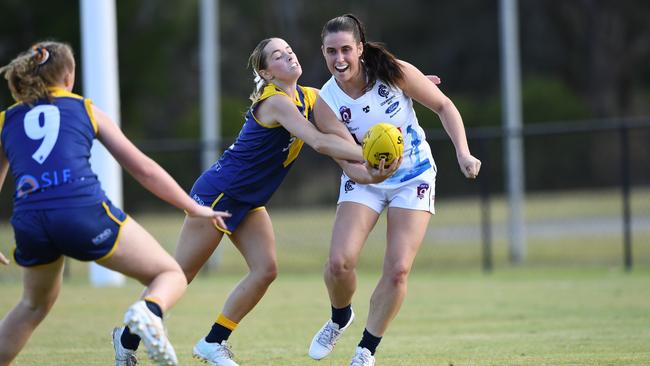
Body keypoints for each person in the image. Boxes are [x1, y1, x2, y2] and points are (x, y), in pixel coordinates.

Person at [112, 37, 387, 366]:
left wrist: (398, 92)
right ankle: (125, 340)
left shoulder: (310, 96)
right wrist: (366, 153)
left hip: (250, 201)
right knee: (179, 275)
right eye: (278, 56)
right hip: (218, 196)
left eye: (289, 52)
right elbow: (318, 141)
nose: (288, 57)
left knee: (265, 270)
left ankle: (214, 341)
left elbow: (349, 106)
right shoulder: (275, 103)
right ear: (267, 73)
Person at [0, 41, 230, 366]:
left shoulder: (6, 119)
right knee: (169, 274)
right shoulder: (84, 108)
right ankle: (147, 311)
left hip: (28, 220)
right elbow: (143, 168)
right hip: (80, 209)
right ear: (68, 78)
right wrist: (193, 207)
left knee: (32, 306)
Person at [307, 14, 482, 366]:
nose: (339, 59)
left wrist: (463, 153)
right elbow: (347, 160)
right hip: (365, 180)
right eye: (331, 51)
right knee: (339, 264)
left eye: (345, 49)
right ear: (323, 53)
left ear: (359, 48)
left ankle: (366, 350)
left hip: (413, 176)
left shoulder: (392, 71)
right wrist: (370, 176)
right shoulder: (325, 104)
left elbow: (443, 105)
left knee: (398, 268)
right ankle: (340, 317)